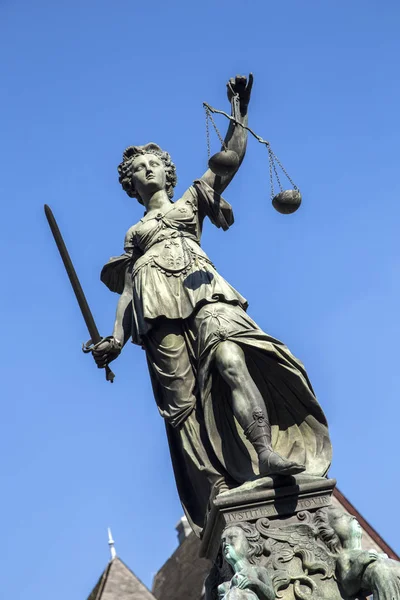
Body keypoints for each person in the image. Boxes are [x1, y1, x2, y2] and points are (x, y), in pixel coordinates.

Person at [93, 74, 331, 536]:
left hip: (204, 291)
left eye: (152, 164)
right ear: (130, 186)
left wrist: (239, 111)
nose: (145, 172)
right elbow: (127, 290)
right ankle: (216, 483)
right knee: (181, 407)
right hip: (154, 307)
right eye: (137, 170)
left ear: (167, 171)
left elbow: (230, 161)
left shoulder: (190, 202)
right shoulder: (134, 236)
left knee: (231, 354)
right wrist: (116, 340)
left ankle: (263, 449)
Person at [315, 507, 400, 600]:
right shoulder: (344, 556)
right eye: (341, 516)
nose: (353, 517)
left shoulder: (368, 552)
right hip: (382, 580)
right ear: (331, 530)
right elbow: (349, 587)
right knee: (381, 570)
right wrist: (359, 563)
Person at [218, 523, 275, 600]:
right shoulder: (226, 585)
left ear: (248, 544)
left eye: (232, 538)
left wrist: (256, 582)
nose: (226, 544)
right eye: (223, 541)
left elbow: (271, 596)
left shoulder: (258, 570)